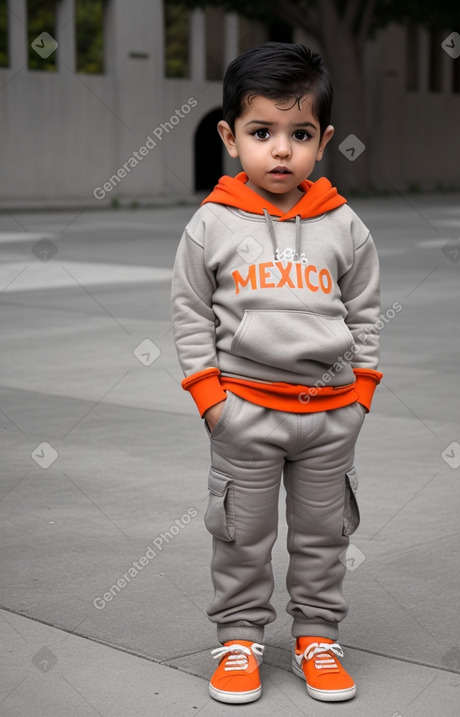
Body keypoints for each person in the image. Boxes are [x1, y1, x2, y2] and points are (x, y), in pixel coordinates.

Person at [171, 41, 383, 704]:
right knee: (241, 534)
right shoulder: (212, 223)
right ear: (231, 137)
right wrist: (212, 399)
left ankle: (318, 634)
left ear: (323, 141)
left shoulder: (343, 224)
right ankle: (239, 638)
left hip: (329, 416)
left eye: (300, 134)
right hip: (245, 414)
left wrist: (362, 393)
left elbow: (366, 308)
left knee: (325, 535)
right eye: (263, 132)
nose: (282, 150)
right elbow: (188, 310)